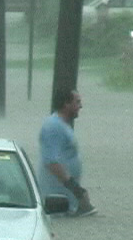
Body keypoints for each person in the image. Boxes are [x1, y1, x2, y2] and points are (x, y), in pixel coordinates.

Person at [38, 89, 98, 217]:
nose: (81, 106)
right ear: (66, 104)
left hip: (67, 201)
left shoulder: (62, 125)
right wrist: (76, 189)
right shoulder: (53, 127)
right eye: (77, 102)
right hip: (56, 203)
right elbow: (51, 162)